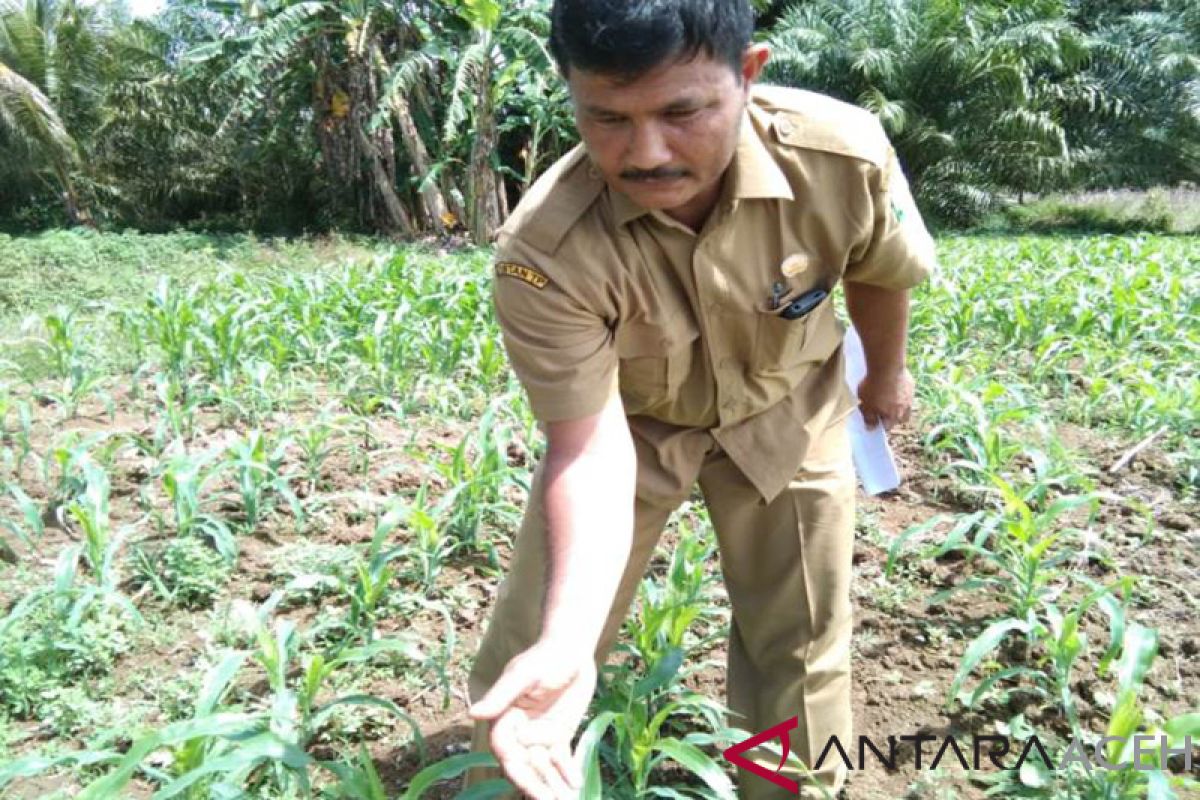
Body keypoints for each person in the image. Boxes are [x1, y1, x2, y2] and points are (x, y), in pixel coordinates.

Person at [464, 1, 936, 797]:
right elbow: (588, 445)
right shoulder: (547, 250)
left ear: (748, 73)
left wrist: (883, 374)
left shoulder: (839, 157)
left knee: (803, 637)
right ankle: (502, 777)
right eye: (606, 117)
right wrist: (570, 642)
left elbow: (879, 271)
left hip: (789, 404)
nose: (644, 152)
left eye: (683, 111)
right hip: (635, 425)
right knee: (539, 636)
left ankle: (787, 790)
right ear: (569, 91)